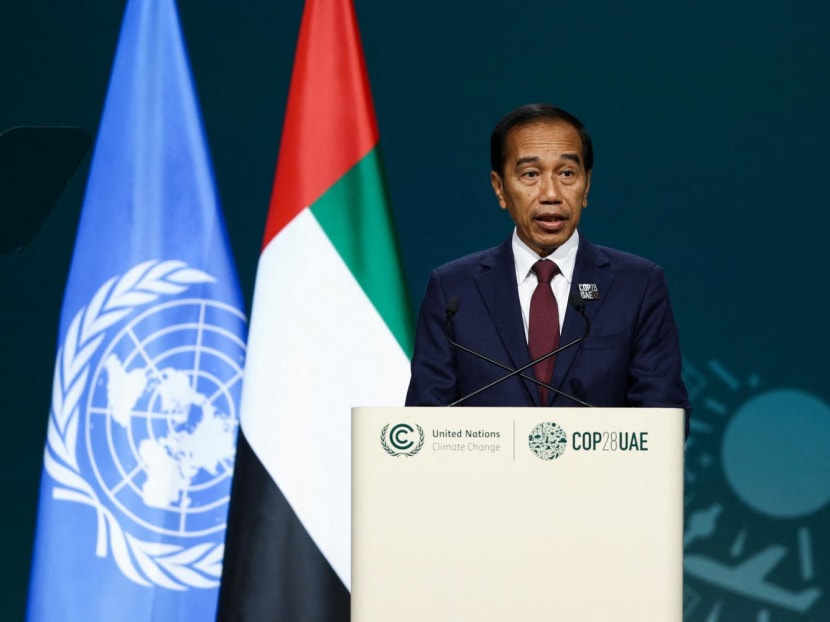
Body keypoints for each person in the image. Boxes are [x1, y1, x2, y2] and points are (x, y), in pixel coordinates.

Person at [405, 103, 690, 435]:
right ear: (499, 187)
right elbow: (425, 424)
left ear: (587, 185)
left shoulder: (638, 285)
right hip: (488, 485)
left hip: (600, 484)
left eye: (567, 173)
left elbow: (663, 417)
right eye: (530, 174)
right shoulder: (453, 290)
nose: (551, 194)